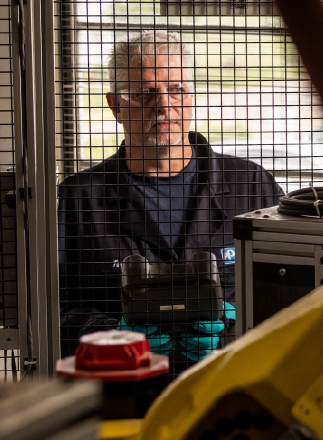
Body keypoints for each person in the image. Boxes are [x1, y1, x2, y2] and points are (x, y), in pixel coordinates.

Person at [58, 31, 283, 366]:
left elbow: (294, 290)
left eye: (177, 90)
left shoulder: (250, 185)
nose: (164, 105)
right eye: (146, 93)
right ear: (116, 106)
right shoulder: (78, 199)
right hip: (123, 392)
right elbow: (48, 309)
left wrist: (233, 329)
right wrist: (112, 335)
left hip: (231, 385)